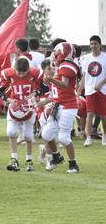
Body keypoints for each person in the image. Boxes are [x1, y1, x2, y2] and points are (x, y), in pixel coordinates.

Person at [0, 57, 43, 172]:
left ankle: (29, 159)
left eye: (24, 72)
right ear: (14, 69)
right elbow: (0, 91)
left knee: (28, 136)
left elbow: (44, 88)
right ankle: (14, 159)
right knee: (11, 132)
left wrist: (34, 93)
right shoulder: (8, 74)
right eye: (19, 72)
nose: (22, 75)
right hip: (14, 107)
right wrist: (9, 100)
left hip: (28, 107)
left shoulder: (35, 73)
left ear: (29, 69)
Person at [41, 42, 80, 173]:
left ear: (61, 52)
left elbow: (64, 84)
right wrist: (50, 80)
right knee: (46, 133)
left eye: (56, 52)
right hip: (58, 105)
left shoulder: (67, 65)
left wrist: (51, 79)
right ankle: (57, 156)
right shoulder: (59, 66)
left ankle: (73, 164)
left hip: (69, 105)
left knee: (64, 137)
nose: (54, 54)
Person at [78, 35, 106, 146]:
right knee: (90, 114)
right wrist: (80, 89)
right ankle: (88, 138)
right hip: (90, 91)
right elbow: (85, 75)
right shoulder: (86, 58)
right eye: (91, 44)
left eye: (95, 43)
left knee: (104, 115)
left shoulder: (105, 57)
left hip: (103, 90)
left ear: (100, 45)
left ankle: (104, 136)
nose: (93, 46)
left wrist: (100, 84)